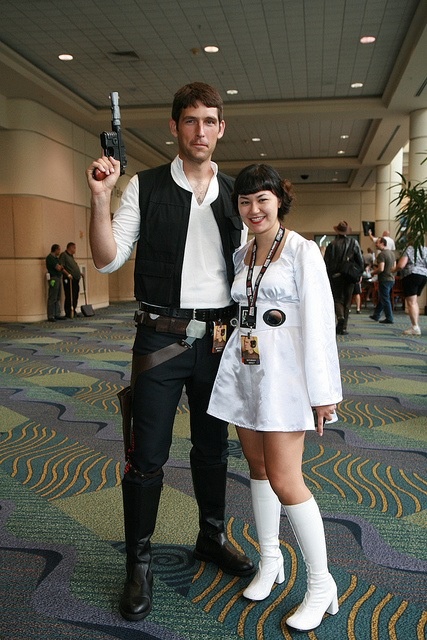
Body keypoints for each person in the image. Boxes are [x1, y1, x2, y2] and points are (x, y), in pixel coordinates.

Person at [86, 82, 254, 622]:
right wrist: (99, 197)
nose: (200, 131)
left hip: (221, 341)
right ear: (175, 127)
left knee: (211, 449)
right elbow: (108, 260)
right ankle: (139, 563)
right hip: (160, 339)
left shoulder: (237, 194)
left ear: (221, 127)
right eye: (190, 121)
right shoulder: (146, 187)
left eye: (210, 121)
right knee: (146, 455)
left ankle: (211, 536)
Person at [208, 164, 343, 632]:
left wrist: (323, 394)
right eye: (245, 201)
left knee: (288, 480)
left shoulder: (302, 252)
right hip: (248, 376)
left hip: (286, 380)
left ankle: (322, 584)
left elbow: (322, 325)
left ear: (279, 201)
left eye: (262, 199)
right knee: (258, 469)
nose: (254, 209)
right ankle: (271, 561)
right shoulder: (243, 252)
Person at [324, 221, 364, 335]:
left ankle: (340, 317)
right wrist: (358, 274)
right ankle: (344, 327)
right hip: (349, 276)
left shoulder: (332, 244)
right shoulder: (354, 243)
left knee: (337, 299)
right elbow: (360, 262)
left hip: (335, 276)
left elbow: (326, 263)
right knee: (347, 301)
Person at [396, 243, 427, 335]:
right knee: (414, 301)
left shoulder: (409, 249)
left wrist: (393, 269)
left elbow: (401, 265)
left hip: (411, 274)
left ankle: (415, 326)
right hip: (424, 275)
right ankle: (416, 325)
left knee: (411, 302)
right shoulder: (425, 249)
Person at [369, 237, 396, 324]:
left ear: (382, 243)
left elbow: (381, 268)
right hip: (391, 278)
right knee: (383, 297)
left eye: (377, 243)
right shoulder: (392, 254)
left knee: (385, 298)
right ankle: (376, 315)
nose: (376, 244)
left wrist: (373, 273)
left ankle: (389, 317)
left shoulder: (382, 255)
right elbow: (394, 267)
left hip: (384, 278)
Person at [45, 244, 67, 321]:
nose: (59, 251)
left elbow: (61, 267)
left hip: (58, 277)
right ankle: (50, 315)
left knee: (58, 297)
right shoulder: (50, 258)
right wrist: (61, 267)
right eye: (59, 250)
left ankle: (57, 313)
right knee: (52, 297)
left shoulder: (56, 258)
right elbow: (59, 268)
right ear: (56, 250)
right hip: (53, 278)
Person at [60, 242, 81, 318]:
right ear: (70, 248)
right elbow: (61, 267)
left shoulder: (71, 256)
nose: (75, 250)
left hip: (75, 279)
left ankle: (73, 310)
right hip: (69, 279)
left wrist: (80, 273)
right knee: (69, 295)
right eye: (74, 248)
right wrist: (68, 274)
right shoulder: (64, 255)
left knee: (75, 295)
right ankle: (68, 312)